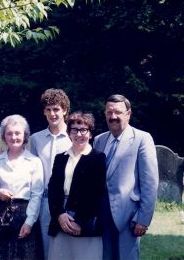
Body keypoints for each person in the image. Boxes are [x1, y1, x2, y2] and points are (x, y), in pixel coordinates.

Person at [93, 94, 159, 260]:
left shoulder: (142, 139)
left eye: (118, 112)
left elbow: (150, 183)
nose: (113, 116)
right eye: (109, 112)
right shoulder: (99, 141)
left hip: (128, 218)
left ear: (128, 113)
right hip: (101, 217)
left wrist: (143, 219)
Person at [0, 114, 44, 260]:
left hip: (24, 216)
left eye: (17, 133)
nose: (13, 137)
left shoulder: (34, 162)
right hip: (0, 217)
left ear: (25, 135)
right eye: (9, 133)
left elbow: (37, 195)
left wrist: (29, 222)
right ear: (4, 136)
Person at [48, 112, 106, 260]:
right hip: (61, 215)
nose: (79, 134)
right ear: (69, 133)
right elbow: (53, 189)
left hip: (86, 219)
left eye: (83, 130)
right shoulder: (60, 158)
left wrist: (79, 221)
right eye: (74, 130)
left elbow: (97, 193)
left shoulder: (97, 158)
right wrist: (59, 214)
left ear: (91, 134)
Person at [29, 88, 72, 259]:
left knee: (68, 248)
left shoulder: (74, 136)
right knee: (47, 248)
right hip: (44, 201)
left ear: (64, 110)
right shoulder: (36, 139)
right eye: (48, 109)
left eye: (56, 109)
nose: (52, 114)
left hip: (68, 199)